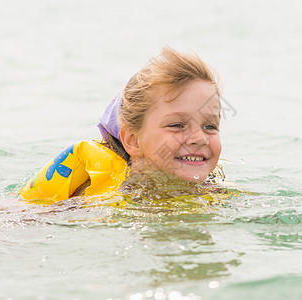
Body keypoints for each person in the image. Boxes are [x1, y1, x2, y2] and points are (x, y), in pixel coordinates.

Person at [19, 47, 225, 203]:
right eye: (178, 125)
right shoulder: (97, 199)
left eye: (210, 126)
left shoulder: (217, 193)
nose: (200, 138)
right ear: (133, 141)